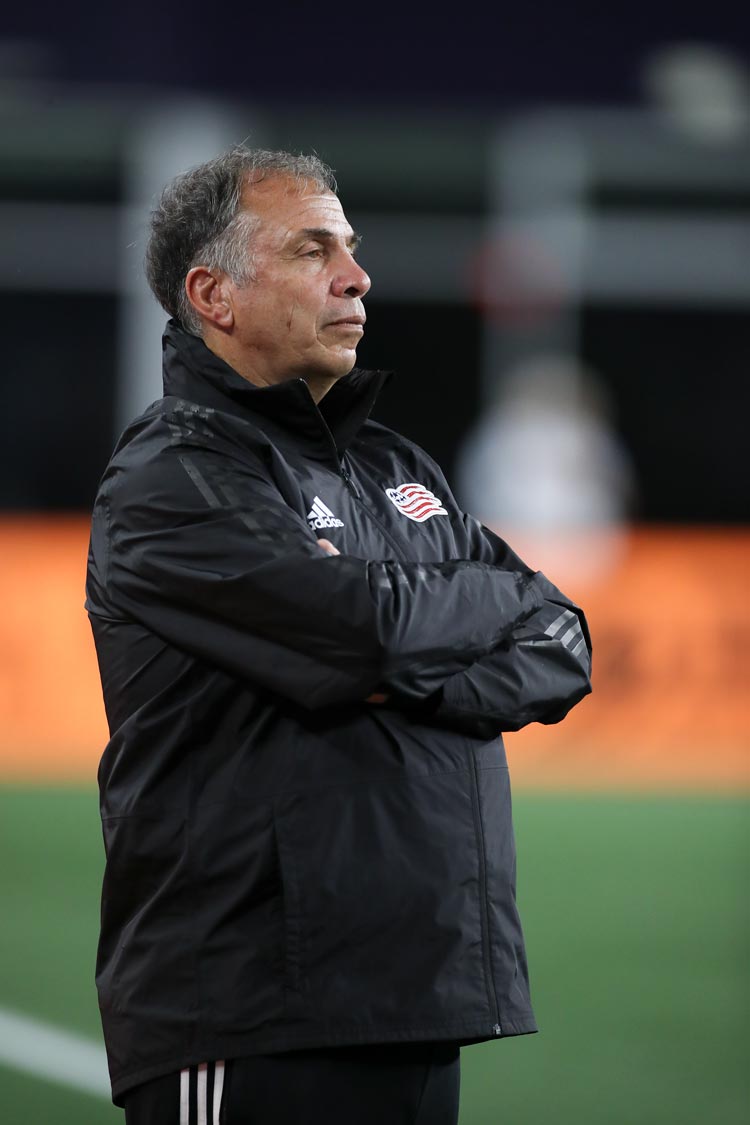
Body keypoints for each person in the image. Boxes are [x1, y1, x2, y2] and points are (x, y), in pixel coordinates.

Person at [86, 145, 592, 1125]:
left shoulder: (398, 465)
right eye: (313, 250)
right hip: (245, 1009)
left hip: (421, 998)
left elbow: (560, 644)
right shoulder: (171, 478)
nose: (356, 277)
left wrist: (401, 657)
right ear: (214, 294)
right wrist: (433, 627)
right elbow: (368, 633)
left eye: (351, 249)